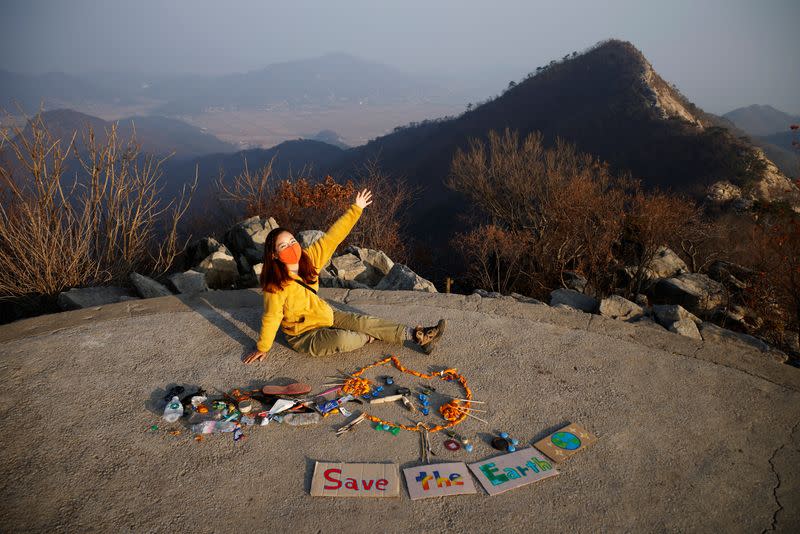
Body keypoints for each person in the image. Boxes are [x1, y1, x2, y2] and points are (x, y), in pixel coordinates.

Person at [243, 188, 446, 363]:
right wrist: (263, 347)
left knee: (366, 322)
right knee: (344, 339)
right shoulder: (275, 286)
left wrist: (355, 209)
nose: (291, 247)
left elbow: (333, 237)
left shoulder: (308, 259)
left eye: (292, 241)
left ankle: (417, 336)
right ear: (274, 255)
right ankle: (367, 338)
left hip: (324, 313)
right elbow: (271, 317)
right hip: (304, 335)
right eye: (283, 246)